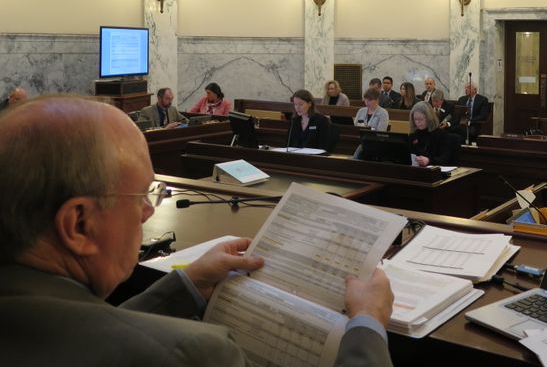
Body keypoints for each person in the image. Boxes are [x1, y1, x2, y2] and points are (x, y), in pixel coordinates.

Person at [0, 96, 394, 366]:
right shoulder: (194, 355)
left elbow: (82, 337)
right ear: (79, 224)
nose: (148, 210)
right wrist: (368, 324)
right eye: (139, 194)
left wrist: (186, 283)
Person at [408, 101, 454, 166]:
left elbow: (445, 158)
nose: (418, 122)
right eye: (415, 119)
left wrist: (429, 160)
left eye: (421, 119)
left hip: (435, 170)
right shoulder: (413, 135)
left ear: (429, 118)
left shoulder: (441, 134)